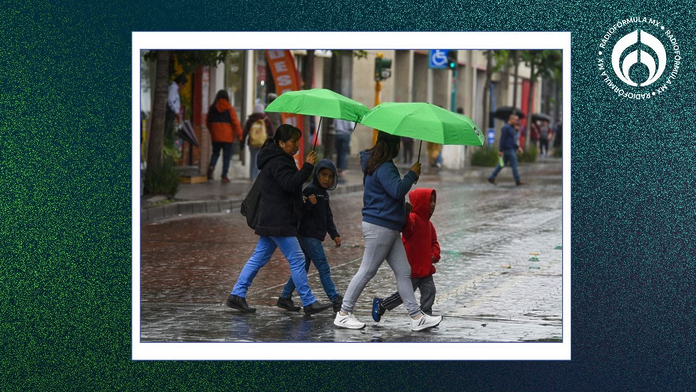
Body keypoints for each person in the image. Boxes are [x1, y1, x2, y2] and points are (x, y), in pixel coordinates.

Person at [334, 131, 443, 331]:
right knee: (367, 271)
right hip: (380, 226)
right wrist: (412, 174)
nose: (400, 148)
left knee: (404, 272)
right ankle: (343, 313)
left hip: (389, 226)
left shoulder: (379, 165)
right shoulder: (384, 167)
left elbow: (388, 196)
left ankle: (416, 316)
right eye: (398, 144)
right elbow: (397, 190)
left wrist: (403, 209)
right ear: (393, 146)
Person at [226, 125, 333, 315]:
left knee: (258, 257)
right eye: (293, 142)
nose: (297, 146)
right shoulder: (279, 161)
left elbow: (283, 189)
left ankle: (237, 294)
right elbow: (290, 184)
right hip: (278, 220)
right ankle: (308, 301)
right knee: (298, 258)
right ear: (282, 143)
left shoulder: (280, 159)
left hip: (273, 218)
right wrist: (308, 166)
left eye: (298, 142)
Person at [277, 158, 344, 313]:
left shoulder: (324, 194)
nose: (327, 179)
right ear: (317, 175)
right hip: (308, 236)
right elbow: (299, 211)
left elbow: (328, 216)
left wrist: (334, 234)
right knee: (323, 267)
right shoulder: (310, 189)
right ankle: (335, 298)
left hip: (315, 236)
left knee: (302, 267)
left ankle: (285, 297)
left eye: (330, 176)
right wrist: (308, 203)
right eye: (324, 175)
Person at [372, 188, 441, 321]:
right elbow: (407, 228)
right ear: (420, 203)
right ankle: (382, 304)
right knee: (403, 295)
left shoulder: (429, 224)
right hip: (412, 268)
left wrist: (434, 255)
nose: (433, 204)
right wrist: (406, 212)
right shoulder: (413, 219)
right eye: (429, 201)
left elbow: (434, 243)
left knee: (430, 292)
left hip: (426, 269)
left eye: (434, 201)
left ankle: (426, 315)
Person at [207, 90, 243, 183]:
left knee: (215, 153)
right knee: (226, 157)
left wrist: (212, 131)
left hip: (216, 136)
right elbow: (235, 122)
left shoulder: (212, 108)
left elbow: (208, 121)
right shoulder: (229, 108)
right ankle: (224, 176)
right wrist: (240, 135)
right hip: (228, 137)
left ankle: (211, 166)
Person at [488, 114, 524, 186]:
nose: (517, 122)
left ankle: (492, 177)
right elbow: (502, 139)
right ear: (511, 119)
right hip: (508, 149)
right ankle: (517, 180)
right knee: (514, 164)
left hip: (511, 148)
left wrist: (517, 147)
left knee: (501, 164)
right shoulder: (506, 128)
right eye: (516, 120)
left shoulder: (512, 128)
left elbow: (512, 140)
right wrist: (500, 150)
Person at [242, 103, 273, 180]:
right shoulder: (266, 119)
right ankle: (258, 178)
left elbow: (245, 131)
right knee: (260, 160)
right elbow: (271, 132)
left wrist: (242, 143)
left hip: (252, 142)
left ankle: (252, 176)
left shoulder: (251, 119)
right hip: (263, 143)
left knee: (253, 159)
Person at [165, 74, 187, 145]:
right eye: (184, 85)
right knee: (167, 130)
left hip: (172, 113)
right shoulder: (173, 88)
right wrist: (177, 112)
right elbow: (170, 101)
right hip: (170, 112)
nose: (183, 87)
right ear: (180, 83)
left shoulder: (175, 89)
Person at [333, 119, 353, 184]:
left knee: (338, 153)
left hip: (338, 134)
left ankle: (338, 168)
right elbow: (351, 127)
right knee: (344, 153)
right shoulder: (348, 115)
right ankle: (342, 170)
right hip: (346, 134)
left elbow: (334, 124)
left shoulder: (337, 115)